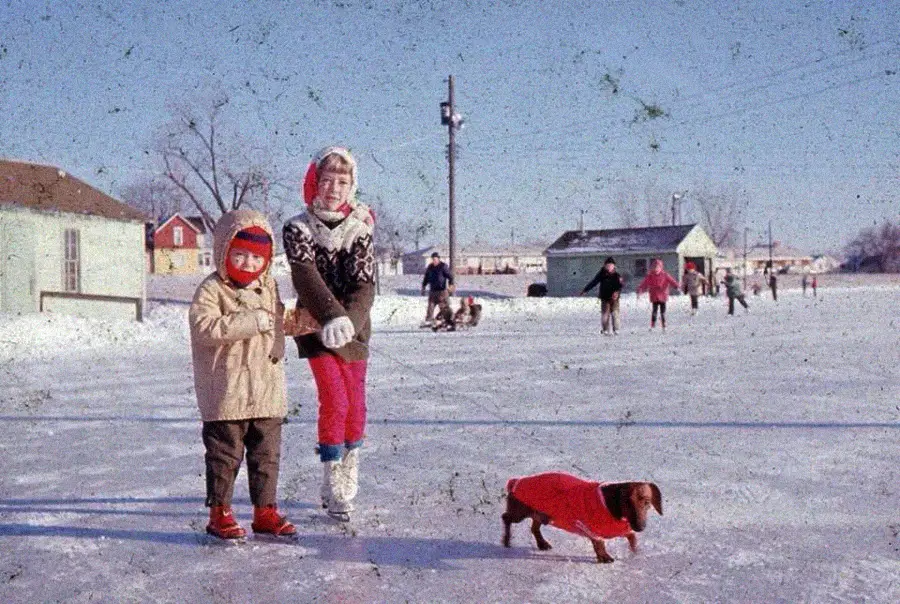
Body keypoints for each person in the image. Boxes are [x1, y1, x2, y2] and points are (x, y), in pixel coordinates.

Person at [189, 209, 296, 540]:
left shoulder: (270, 287)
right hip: (227, 391)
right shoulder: (212, 290)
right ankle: (219, 512)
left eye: (256, 257)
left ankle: (265, 511)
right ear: (224, 251)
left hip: (267, 389)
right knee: (224, 454)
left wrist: (306, 325)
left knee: (267, 457)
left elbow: (278, 325)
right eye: (240, 255)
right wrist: (253, 321)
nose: (249, 263)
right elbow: (203, 327)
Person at [283, 146, 375, 522]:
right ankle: (332, 473)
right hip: (316, 327)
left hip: (354, 329)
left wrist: (349, 320)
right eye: (327, 180)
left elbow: (365, 285)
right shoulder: (298, 227)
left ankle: (350, 463)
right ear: (314, 183)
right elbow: (306, 276)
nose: (334, 188)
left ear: (352, 185)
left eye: (343, 181)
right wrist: (330, 317)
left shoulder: (360, 227)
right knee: (334, 399)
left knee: (355, 402)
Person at [580, 256, 624, 335]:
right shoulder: (601, 274)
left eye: (611, 266)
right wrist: (585, 290)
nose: (609, 267)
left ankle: (616, 329)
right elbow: (594, 282)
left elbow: (620, 286)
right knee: (605, 314)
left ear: (614, 266)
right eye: (608, 266)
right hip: (605, 297)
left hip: (615, 299)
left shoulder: (617, 275)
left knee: (615, 313)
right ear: (605, 266)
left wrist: (617, 293)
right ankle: (605, 329)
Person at [636, 258, 679, 331]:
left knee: (663, 312)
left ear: (661, 267)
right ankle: (653, 325)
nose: (656, 269)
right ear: (652, 268)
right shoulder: (650, 276)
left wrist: (676, 286)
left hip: (663, 295)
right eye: (655, 267)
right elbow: (644, 284)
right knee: (654, 311)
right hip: (654, 296)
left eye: (658, 267)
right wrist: (640, 290)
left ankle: (664, 325)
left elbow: (672, 281)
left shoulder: (665, 275)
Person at [421, 252, 454, 327]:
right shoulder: (430, 267)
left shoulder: (443, 266)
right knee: (430, 306)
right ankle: (429, 320)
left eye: (435, 259)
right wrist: (423, 287)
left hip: (442, 291)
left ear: (438, 259)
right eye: (433, 259)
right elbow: (426, 278)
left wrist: (451, 284)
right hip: (433, 291)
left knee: (443, 307)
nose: (434, 261)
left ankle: (447, 320)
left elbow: (450, 276)